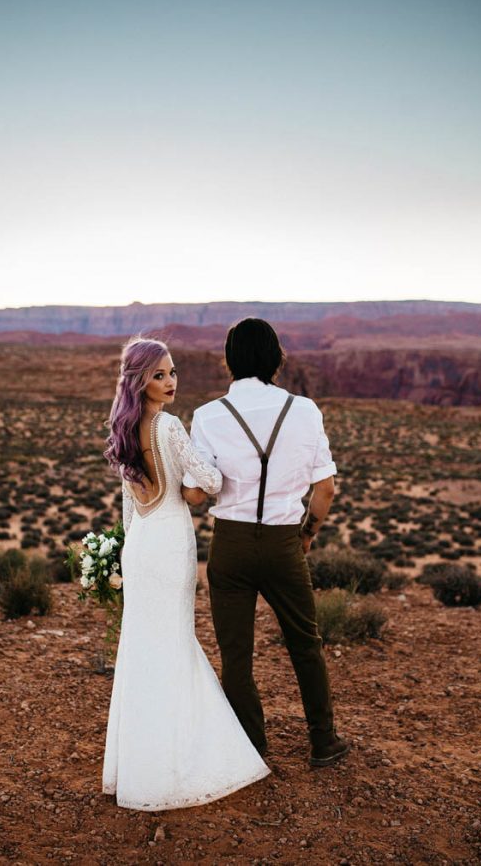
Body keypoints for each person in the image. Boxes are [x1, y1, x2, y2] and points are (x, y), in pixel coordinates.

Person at [102, 337, 270, 811]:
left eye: (172, 372)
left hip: (141, 545)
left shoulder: (125, 427)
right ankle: (177, 760)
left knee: (140, 648)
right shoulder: (169, 427)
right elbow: (211, 482)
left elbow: (128, 506)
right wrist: (206, 469)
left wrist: (123, 552)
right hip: (172, 542)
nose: (170, 382)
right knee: (174, 643)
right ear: (139, 380)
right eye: (159, 375)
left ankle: (136, 766)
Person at [183, 318, 351, 767]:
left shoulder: (208, 416)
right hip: (283, 544)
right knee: (305, 643)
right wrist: (307, 536)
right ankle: (323, 741)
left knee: (236, 656)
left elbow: (197, 493)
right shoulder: (306, 410)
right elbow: (326, 488)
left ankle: (250, 749)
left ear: (229, 361)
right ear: (277, 359)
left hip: (231, 547)